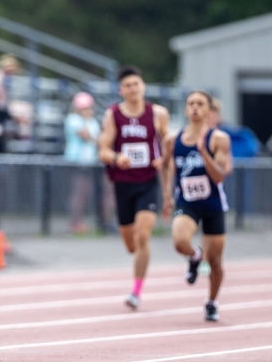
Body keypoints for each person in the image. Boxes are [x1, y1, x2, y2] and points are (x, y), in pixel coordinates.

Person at [97, 66, 169, 309]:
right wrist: (117, 157)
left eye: (136, 84)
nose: (133, 89)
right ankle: (137, 262)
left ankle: (136, 291)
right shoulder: (113, 115)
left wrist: (164, 159)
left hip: (147, 183)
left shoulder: (157, 113)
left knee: (142, 235)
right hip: (123, 184)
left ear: (143, 86)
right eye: (128, 86)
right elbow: (103, 150)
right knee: (131, 245)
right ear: (121, 90)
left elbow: (169, 144)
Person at [161, 91, 232, 321]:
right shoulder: (172, 140)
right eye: (190, 103)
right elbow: (164, 165)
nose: (194, 107)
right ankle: (194, 256)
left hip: (212, 204)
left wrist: (203, 152)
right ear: (185, 109)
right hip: (187, 202)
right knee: (179, 242)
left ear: (208, 112)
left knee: (215, 262)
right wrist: (166, 195)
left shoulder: (218, 139)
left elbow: (219, 176)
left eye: (200, 104)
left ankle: (211, 301)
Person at [64, 92, 100, 234]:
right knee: (77, 193)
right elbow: (86, 136)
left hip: (89, 161)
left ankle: (79, 222)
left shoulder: (93, 121)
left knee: (85, 193)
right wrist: (85, 120)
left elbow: (97, 139)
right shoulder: (73, 119)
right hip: (76, 161)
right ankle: (74, 223)